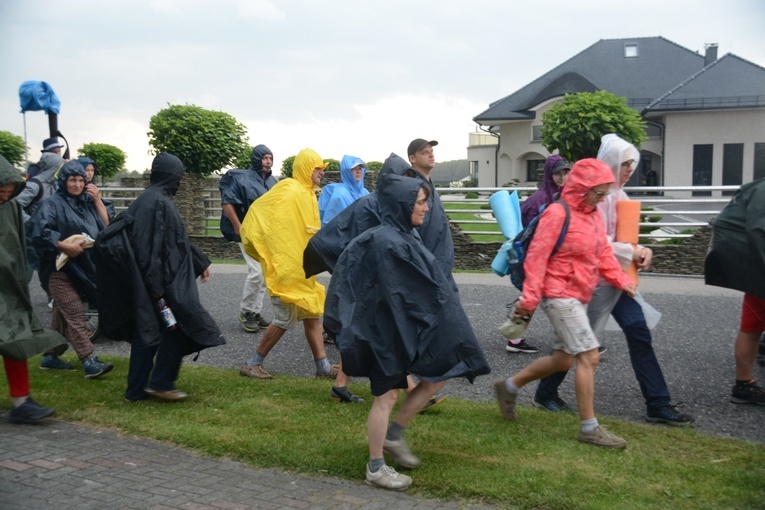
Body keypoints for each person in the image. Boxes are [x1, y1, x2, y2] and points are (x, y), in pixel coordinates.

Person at [324, 173, 490, 490]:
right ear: (403, 204)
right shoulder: (389, 242)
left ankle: (394, 435)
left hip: (397, 330)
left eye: (426, 200)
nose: (427, 208)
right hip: (384, 334)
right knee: (386, 396)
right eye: (420, 201)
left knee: (439, 373)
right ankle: (376, 467)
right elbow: (401, 292)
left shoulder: (400, 235)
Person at [533, 134, 695, 426]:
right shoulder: (595, 197)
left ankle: (658, 403)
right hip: (591, 282)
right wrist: (634, 251)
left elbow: (621, 240)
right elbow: (601, 243)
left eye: (633, 163)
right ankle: (546, 393)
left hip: (617, 279)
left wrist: (640, 250)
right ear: (611, 163)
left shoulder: (619, 195)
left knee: (638, 333)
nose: (630, 169)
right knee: (579, 347)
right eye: (625, 163)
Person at [493, 158, 637, 449]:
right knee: (589, 356)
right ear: (582, 188)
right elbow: (536, 258)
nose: (602, 198)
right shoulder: (557, 213)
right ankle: (589, 428)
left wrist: (621, 281)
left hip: (577, 294)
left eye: (605, 192)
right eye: (598, 192)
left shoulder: (593, 215)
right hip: (557, 295)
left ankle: (508, 387)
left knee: (563, 359)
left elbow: (603, 255)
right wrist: (530, 299)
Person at [95, 153, 225, 401]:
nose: (180, 182)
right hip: (159, 285)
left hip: (155, 283)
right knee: (172, 331)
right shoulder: (157, 203)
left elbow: (176, 240)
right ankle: (160, 383)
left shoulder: (151, 200)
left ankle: (138, 390)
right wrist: (156, 290)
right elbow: (149, 249)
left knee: (150, 333)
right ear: (172, 176)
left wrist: (199, 263)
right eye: (179, 177)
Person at [238, 148, 338, 380]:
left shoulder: (308, 193)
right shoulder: (289, 189)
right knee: (284, 318)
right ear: (305, 168)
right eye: (317, 168)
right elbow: (259, 211)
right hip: (286, 268)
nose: (321, 172)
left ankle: (322, 367)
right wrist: (268, 251)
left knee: (312, 312)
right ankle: (253, 363)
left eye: (322, 169)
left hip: (302, 269)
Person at [26, 160, 114, 378]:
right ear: (63, 181)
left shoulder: (86, 203)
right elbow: (38, 232)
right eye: (72, 180)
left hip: (82, 268)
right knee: (75, 312)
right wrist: (64, 245)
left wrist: (97, 202)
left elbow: (107, 228)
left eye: (80, 180)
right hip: (57, 269)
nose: (76, 184)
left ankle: (49, 356)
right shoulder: (52, 204)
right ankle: (89, 360)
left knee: (62, 316)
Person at [0, 155, 64, 423]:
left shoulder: (10, 207)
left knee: (16, 337)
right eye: (0, 191)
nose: (4, 196)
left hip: (7, 287)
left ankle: (21, 401)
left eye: (8, 192)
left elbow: (19, 242)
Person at [705, 176, 765, 406]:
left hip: (753, 268)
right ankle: (743, 385)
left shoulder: (757, 187)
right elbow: (758, 230)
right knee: (751, 328)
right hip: (757, 267)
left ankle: (743, 385)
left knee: (751, 327)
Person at [506, 155, 571, 354]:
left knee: (533, 297)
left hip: (551, 256)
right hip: (539, 256)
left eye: (565, 173)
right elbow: (529, 231)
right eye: (557, 174)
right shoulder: (539, 200)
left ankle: (514, 337)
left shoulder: (560, 195)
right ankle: (575, 338)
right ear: (549, 175)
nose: (562, 177)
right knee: (533, 297)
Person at [219, 145, 276, 333]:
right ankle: (246, 312)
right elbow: (228, 202)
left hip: (265, 234)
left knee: (264, 273)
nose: (268, 161)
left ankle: (255, 311)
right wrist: (238, 227)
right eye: (265, 158)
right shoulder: (240, 177)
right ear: (257, 159)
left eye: (270, 158)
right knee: (257, 271)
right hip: (247, 232)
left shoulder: (273, 182)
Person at [318, 155, 368, 226]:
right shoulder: (339, 194)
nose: (358, 172)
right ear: (346, 171)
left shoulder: (365, 192)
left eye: (360, 168)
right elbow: (329, 224)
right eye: (354, 169)